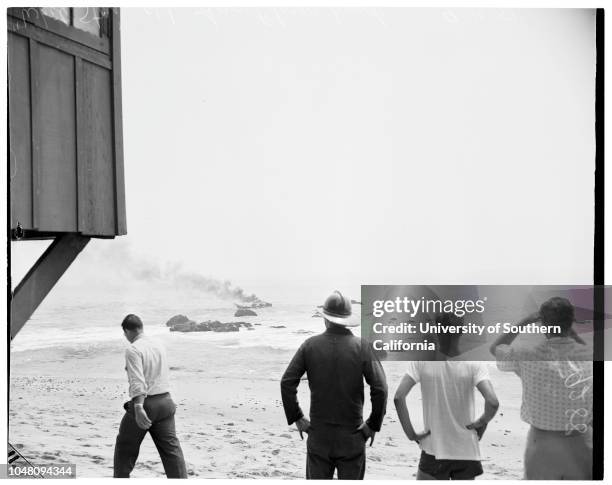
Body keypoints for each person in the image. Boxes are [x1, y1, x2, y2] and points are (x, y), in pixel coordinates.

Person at [280, 291, 388, 480]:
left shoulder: (309, 345)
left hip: (319, 435)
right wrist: (372, 424)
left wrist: (297, 417)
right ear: (347, 319)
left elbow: (287, 382)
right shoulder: (361, 347)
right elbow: (380, 388)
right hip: (353, 436)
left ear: (325, 319)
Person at [490, 297, 593, 480]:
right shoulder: (591, 355)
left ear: (543, 325)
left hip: (542, 443)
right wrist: (571, 331)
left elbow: (496, 348)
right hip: (581, 441)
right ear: (571, 321)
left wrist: (525, 321)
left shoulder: (528, 355)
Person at [394, 314, 499, 480]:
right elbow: (492, 402)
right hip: (466, 451)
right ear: (462, 332)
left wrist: (411, 434)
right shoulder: (475, 363)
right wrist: (481, 422)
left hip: (435, 449)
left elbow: (399, 397)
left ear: (436, 330)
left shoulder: (423, 360)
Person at [113, 314, 187, 478]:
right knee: (172, 452)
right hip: (166, 403)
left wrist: (138, 407)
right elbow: (158, 372)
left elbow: (138, 382)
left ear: (127, 331)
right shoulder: (158, 344)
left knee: (125, 447)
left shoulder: (133, 349)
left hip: (146, 405)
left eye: (125, 334)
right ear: (141, 327)